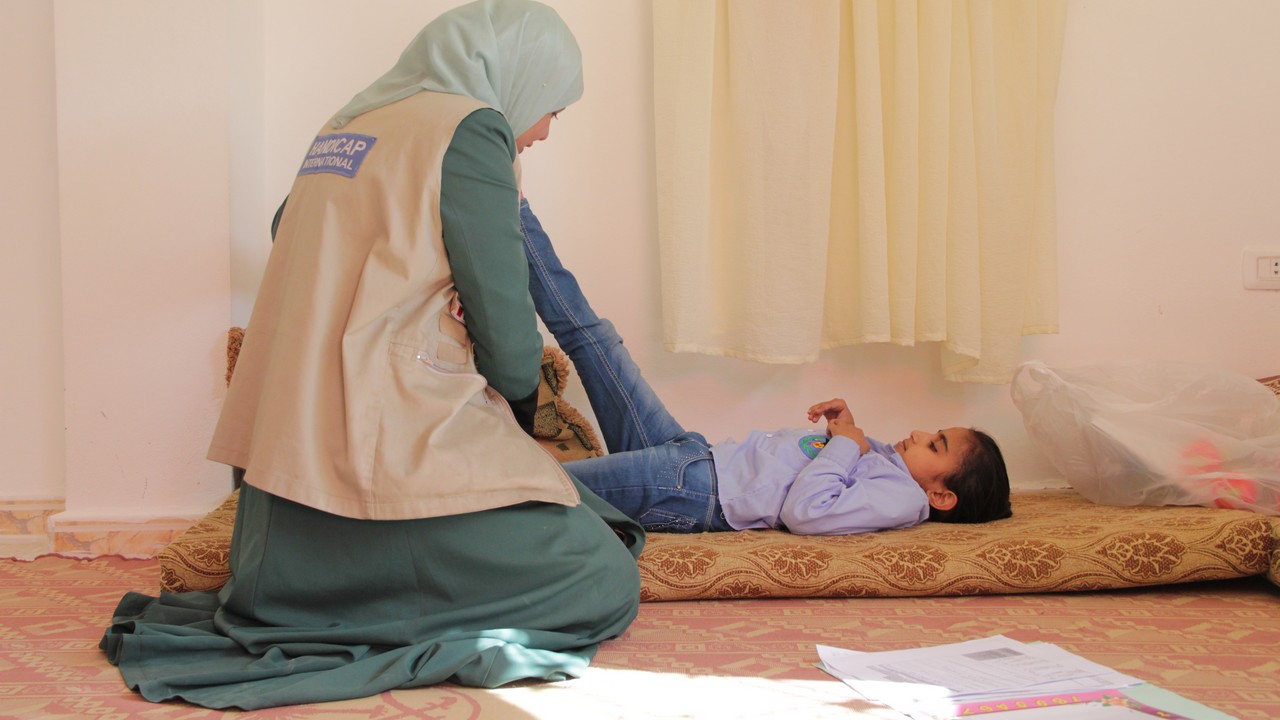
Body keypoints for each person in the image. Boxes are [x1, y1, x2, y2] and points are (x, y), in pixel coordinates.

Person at [100, 1, 644, 710]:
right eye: (552, 110)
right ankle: (390, 613)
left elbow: (289, 234)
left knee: (589, 508)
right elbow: (509, 337)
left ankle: (354, 592)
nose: (540, 132)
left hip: (276, 506)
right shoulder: (471, 129)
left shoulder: (348, 125)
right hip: (381, 473)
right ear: (520, 74)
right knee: (606, 574)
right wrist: (518, 419)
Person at [520, 201, 1012, 536]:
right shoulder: (886, 465)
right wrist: (843, 428)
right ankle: (515, 211)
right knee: (599, 342)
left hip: (694, 492)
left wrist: (844, 444)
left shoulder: (904, 501)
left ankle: (454, 504)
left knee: (547, 485)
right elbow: (832, 470)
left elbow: (806, 514)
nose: (921, 431)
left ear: (942, 497)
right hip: (694, 455)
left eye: (935, 445)